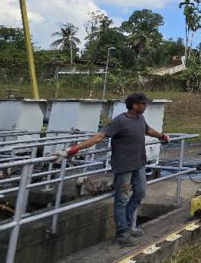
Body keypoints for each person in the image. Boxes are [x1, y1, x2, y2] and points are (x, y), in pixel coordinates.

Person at [58, 92, 169, 247]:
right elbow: (98, 137)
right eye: (143, 104)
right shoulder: (119, 121)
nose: (146, 106)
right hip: (123, 166)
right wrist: (74, 149)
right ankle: (122, 233)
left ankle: (129, 225)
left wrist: (161, 136)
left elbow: (147, 130)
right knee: (122, 199)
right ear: (135, 105)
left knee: (140, 192)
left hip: (139, 163)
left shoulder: (140, 118)